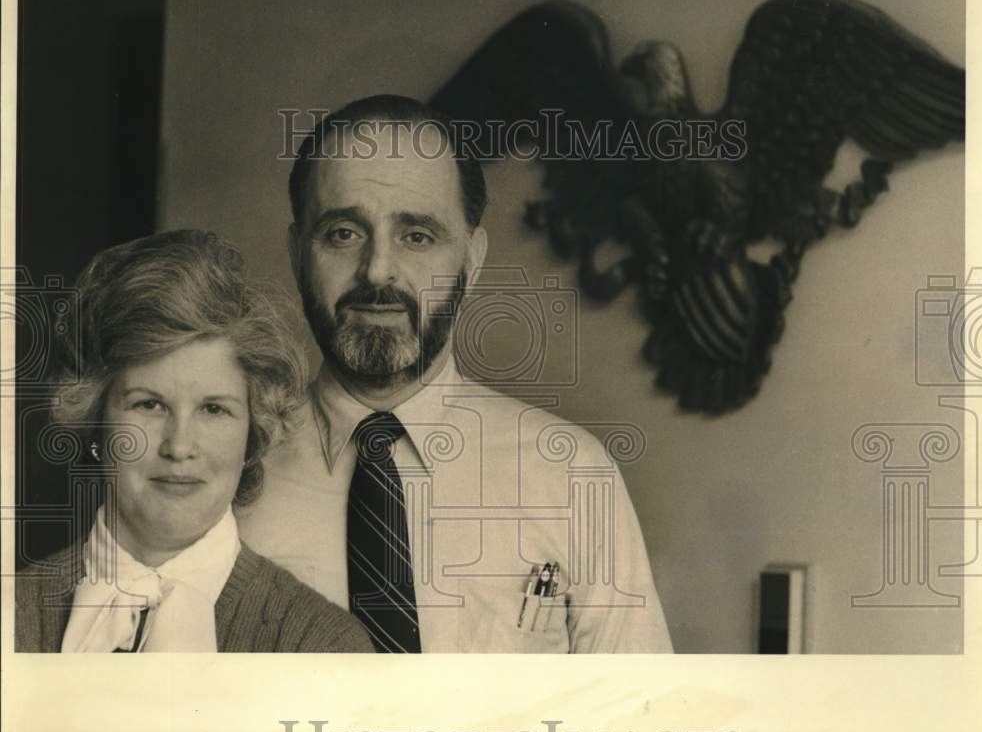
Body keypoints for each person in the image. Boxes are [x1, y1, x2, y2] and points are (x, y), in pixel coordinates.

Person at [237, 94, 673, 653]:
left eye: (416, 236)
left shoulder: (572, 476)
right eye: (343, 233)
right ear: (299, 252)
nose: (377, 270)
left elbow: (633, 722)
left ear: (472, 259)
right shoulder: (229, 470)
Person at [15, 230, 373, 653]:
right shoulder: (13, 613)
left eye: (213, 409)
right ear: (97, 420)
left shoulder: (319, 643)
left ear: (251, 437)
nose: (179, 446)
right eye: (149, 405)